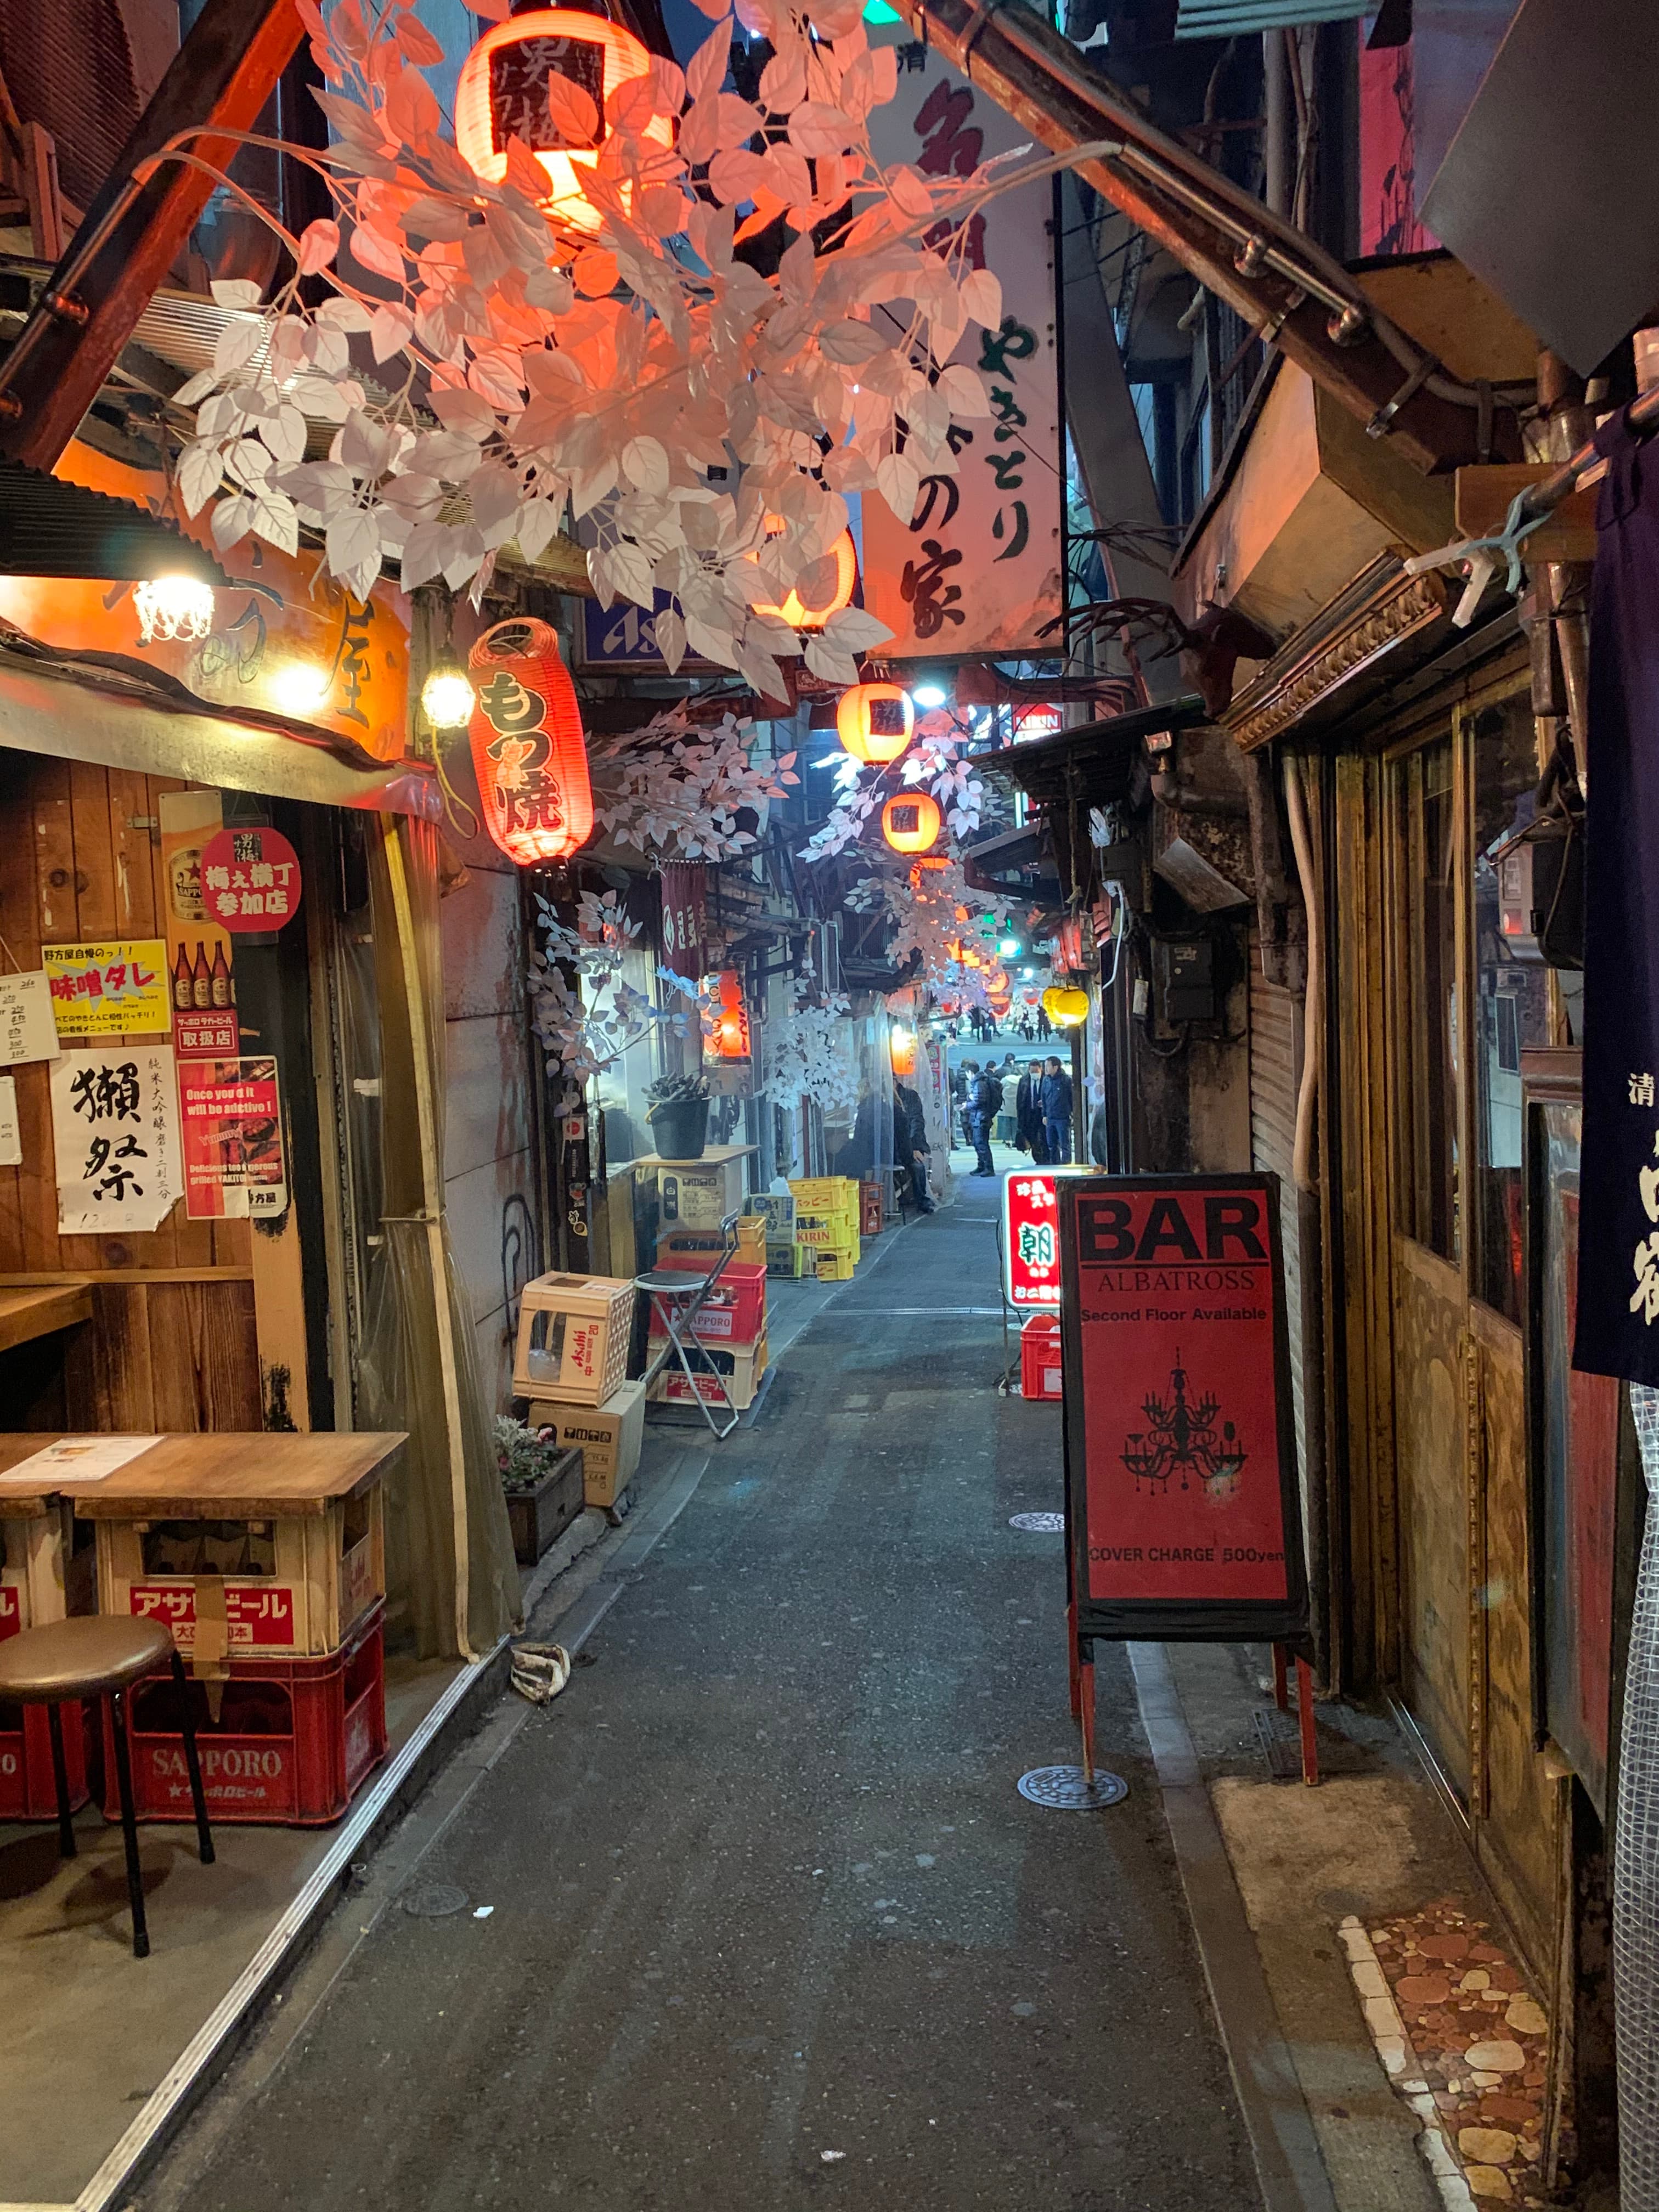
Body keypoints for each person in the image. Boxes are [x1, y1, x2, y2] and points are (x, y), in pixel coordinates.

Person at [893, 1078, 935, 1213]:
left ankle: (922, 1199)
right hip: (895, 1146)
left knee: (917, 1166)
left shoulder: (910, 1096)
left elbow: (917, 1123)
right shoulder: (882, 1098)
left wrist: (914, 1147)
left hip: (909, 1144)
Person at [968, 1061, 1003, 1177]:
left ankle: (988, 1168)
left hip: (982, 1118)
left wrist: (966, 1106)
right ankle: (981, 1166)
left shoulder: (980, 1083)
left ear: (971, 1072)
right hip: (980, 1117)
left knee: (982, 1144)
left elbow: (980, 1101)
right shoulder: (980, 1082)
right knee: (978, 1143)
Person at [1039, 1054, 1073, 1165]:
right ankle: (1055, 1164)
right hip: (1050, 1118)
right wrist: (1044, 1115)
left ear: (1056, 1067)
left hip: (1063, 1117)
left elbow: (1072, 1098)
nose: (1046, 1069)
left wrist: (1072, 1114)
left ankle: (1066, 1164)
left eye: (1048, 1066)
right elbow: (1044, 1098)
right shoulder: (1046, 1080)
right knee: (1051, 1144)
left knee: (1065, 1144)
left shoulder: (1066, 1080)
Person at [1015, 1060, 1049, 1163]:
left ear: (1041, 1070)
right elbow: (1020, 1099)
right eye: (1032, 1072)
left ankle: (1047, 1158)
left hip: (1043, 1113)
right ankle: (1038, 1159)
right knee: (1033, 1138)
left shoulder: (1046, 1080)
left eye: (1036, 1072)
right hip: (1029, 1114)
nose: (1034, 1074)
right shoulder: (1024, 1081)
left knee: (1044, 1137)